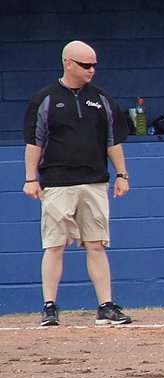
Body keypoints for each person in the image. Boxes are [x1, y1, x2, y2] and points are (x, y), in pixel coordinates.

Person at [23, 40, 132, 327]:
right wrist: (31, 178)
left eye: (94, 64)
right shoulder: (45, 99)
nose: (91, 70)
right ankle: (49, 307)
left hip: (94, 181)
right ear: (68, 63)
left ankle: (105, 306)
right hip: (57, 183)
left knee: (96, 244)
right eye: (86, 65)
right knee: (55, 245)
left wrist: (122, 174)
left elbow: (113, 141)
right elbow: (35, 142)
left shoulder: (103, 99)